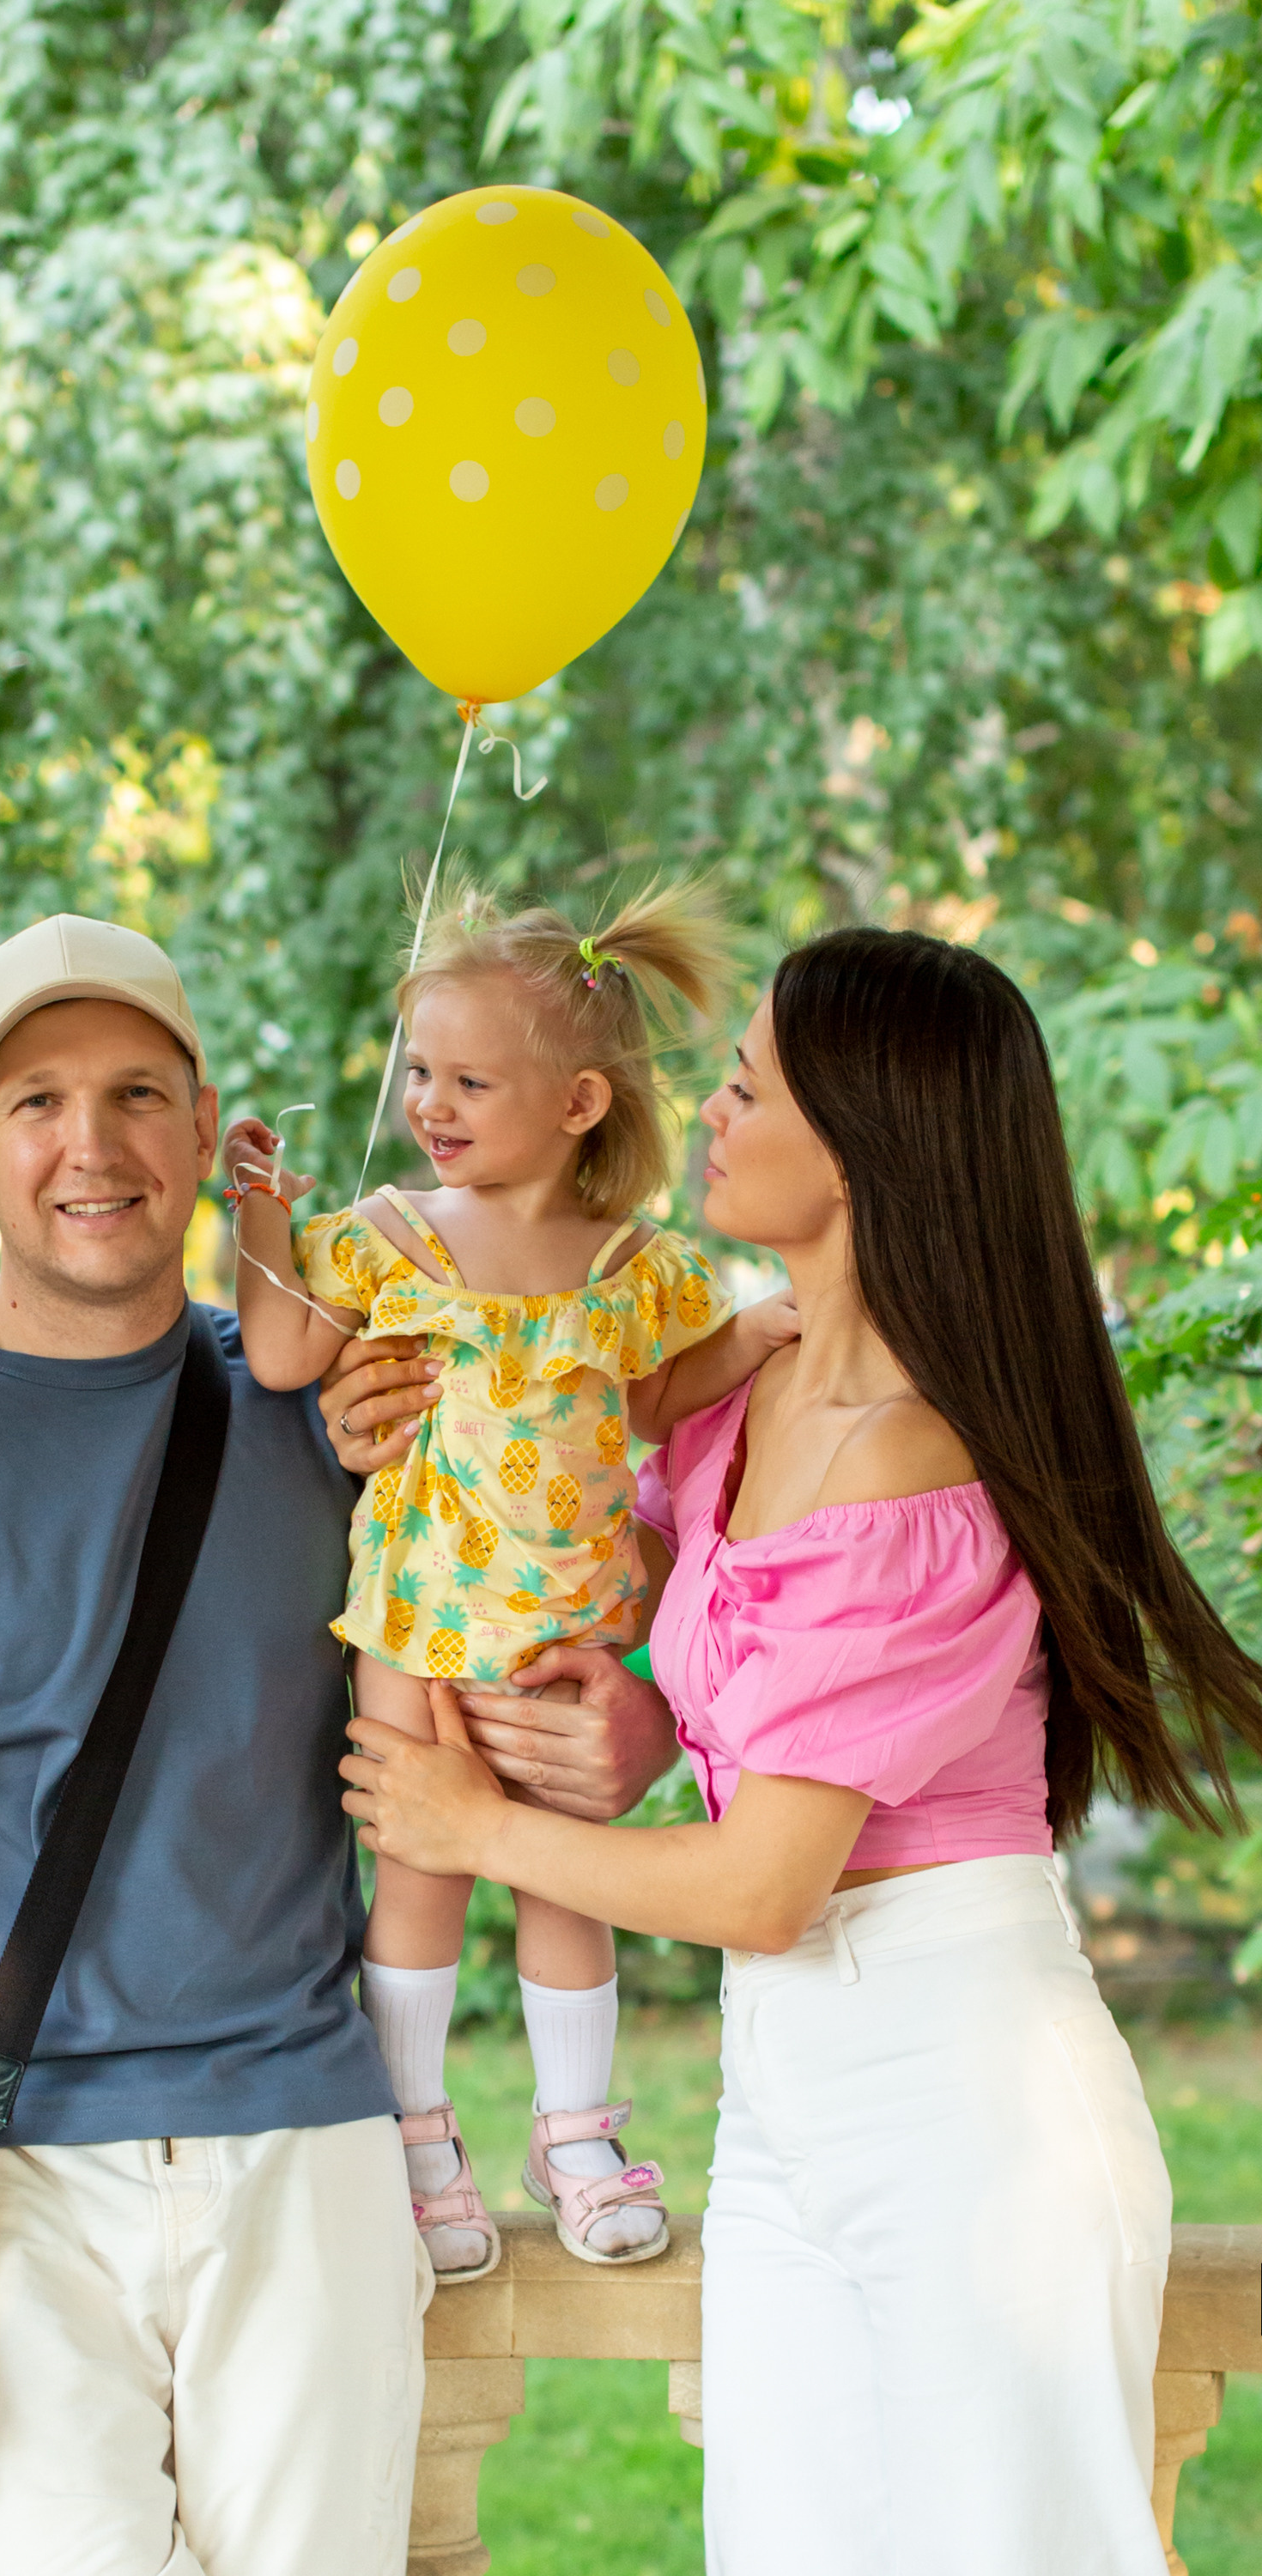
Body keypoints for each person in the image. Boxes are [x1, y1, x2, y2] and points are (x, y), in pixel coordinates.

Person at [336, 926, 1262, 2576]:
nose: (705, 1110)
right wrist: (615, 1715)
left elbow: (768, 1884)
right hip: (785, 2102)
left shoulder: (910, 1451)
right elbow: (653, 1640)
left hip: (961, 2095)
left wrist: (469, 1827)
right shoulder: (733, 1408)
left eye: (749, 1084)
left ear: (860, 1152)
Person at [0, 913, 431, 2576]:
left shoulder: (319, 1406)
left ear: (203, 1128)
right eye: (36, 1102)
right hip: (4, 2180)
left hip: (306, 2142)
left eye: (133, 1094)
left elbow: (513, 1671)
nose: (90, 1146)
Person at [222, 882, 797, 2279]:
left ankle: (574, 2131)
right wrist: (254, 1223)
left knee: (566, 1885)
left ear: (581, 1103)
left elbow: (665, 1396)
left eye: (471, 1078)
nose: (432, 1101)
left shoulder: (628, 1270)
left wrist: (771, 1331)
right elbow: (288, 1354)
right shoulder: (391, 1237)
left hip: (565, 1642)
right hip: (420, 1623)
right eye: (419, 1071)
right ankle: (414, 2132)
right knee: (417, 1871)